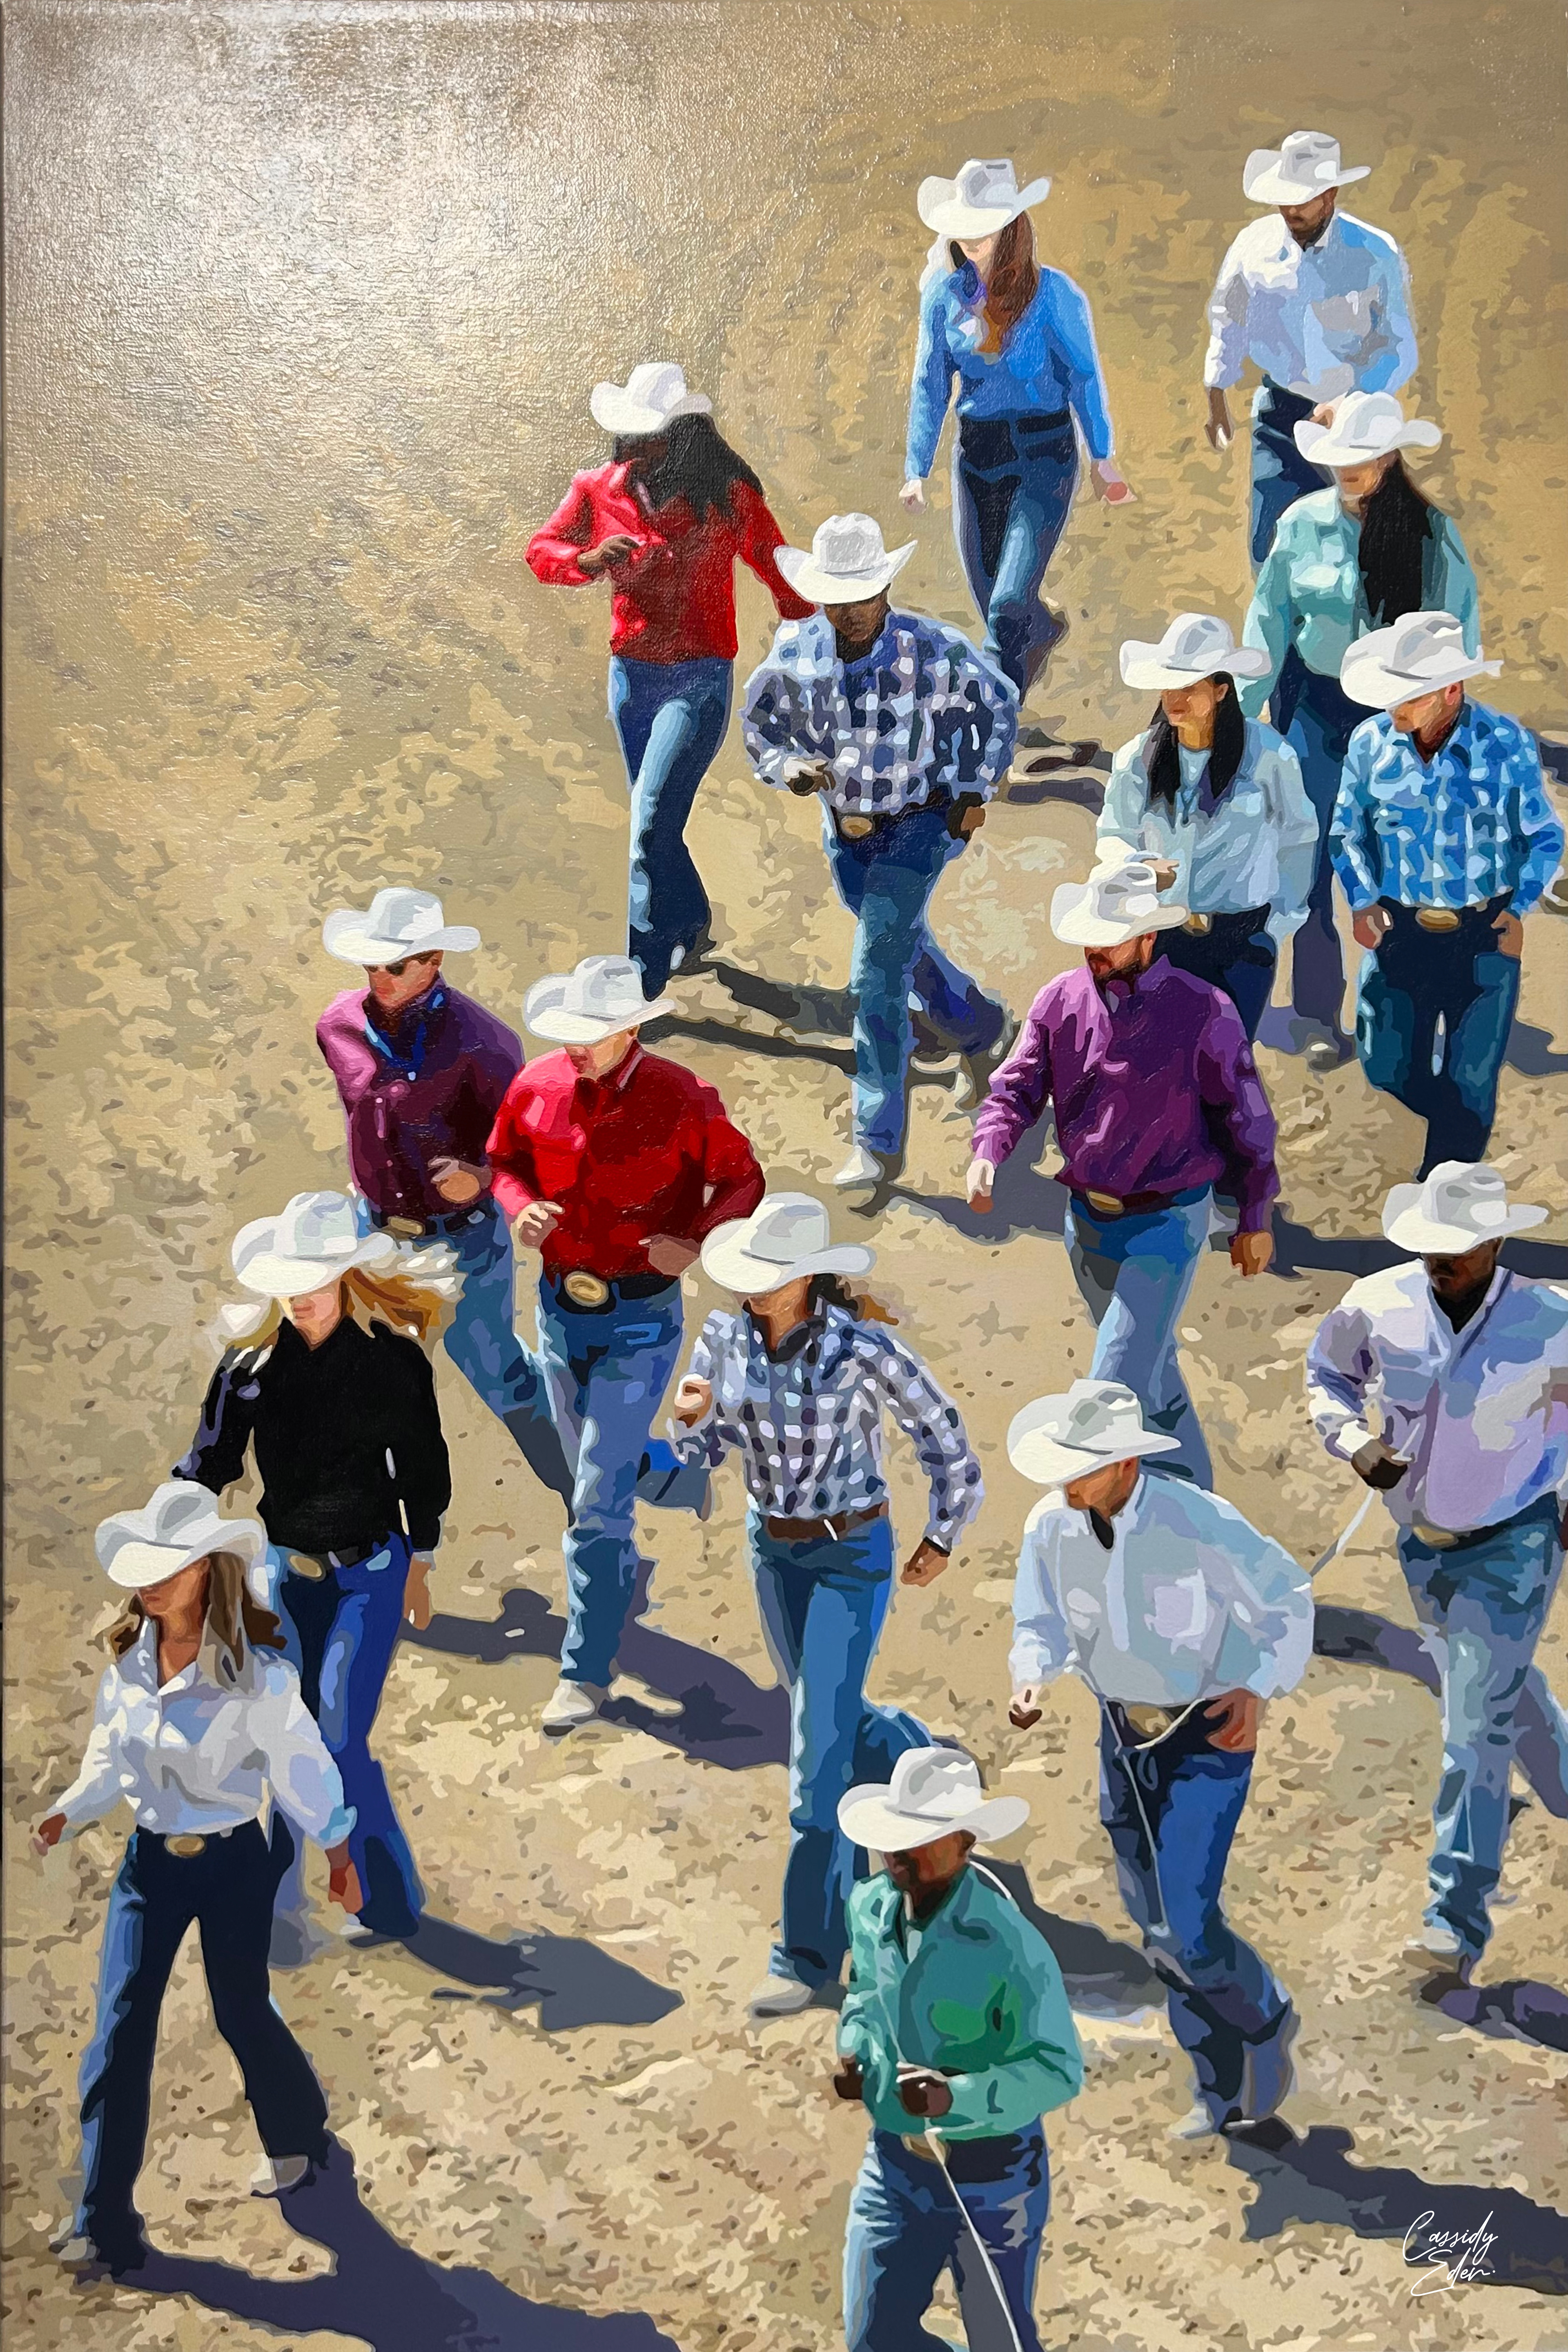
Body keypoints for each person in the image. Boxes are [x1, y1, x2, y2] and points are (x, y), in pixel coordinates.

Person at [666, 1194, 982, 2018]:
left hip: (851, 1557)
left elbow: (945, 1437)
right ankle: (914, 1751)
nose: (755, 1291)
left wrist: (943, 1534)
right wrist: (690, 1422)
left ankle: (807, 1956)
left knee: (816, 1772)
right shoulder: (725, 1338)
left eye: (772, 1279)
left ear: (808, 1278)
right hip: (773, 1552)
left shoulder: (862, 1349)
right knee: (826, 1715)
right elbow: (705, 1449)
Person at [36, 1483, 358, 2276]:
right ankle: (102, 2221)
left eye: (168, 1569)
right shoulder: (126, 1666)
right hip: (150, 1870)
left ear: (208, 1572)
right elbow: (109, 1765)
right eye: (144, 1570)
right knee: (120, 2031)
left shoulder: (262, 1683)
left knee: (241, 2008)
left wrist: (340, 1853)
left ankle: (300, 2132)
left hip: (235, 1866)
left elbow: (304, 1772)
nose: (148, 1584)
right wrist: (67, 1815)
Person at [1007, 1380, 1312, 2139]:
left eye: (1082, 1467)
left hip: (1206, 1737)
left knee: (1184, 1920)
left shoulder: (1199, 1523)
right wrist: (1031, 1678)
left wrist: (1258, 1689)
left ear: (1126, 1467)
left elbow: (1288, 1600)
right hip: (1122, 1737)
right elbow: (1038, 1620)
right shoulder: (1050, 1527)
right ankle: (1217, 2085)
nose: (1066, 1482)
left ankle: (1265, 2017)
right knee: (1154, 1924)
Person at [486, 953, 764, 1732]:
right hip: (558, 1309)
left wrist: (699, 1239)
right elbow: (503, 1160)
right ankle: (673, 1479)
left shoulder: (682, 1098)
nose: (576, 1045)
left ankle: (586, 1673)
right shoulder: (535, 1085)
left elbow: (743, 1180)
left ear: (632, 1029)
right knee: (587, 1470)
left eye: (595, 1033)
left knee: (595, 1502)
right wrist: (519, 1208)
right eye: (572, 1031)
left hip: (642, 1319)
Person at [1306, 1163, 1568, 1980]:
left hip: (1515, 1545)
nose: (1437, 1262)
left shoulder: (1551, 1321)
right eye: (1428, 1247)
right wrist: (1354, 1443)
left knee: (1473, 1731)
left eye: (1455, 1249)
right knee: (1495, 1689)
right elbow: (1327, 1379)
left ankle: (1454, 1923)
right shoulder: (1377, 1304)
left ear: (1494, 1242)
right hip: (1421, 1548)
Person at [174, 1189, 452, 1948]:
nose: (301, 1295)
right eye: (290, 1281)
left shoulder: (392, 1364)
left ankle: (384, 1900)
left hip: (371, 1572)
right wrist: (170, 1548)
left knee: (336, 1735)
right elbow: (208, 1467)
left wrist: (421, 1562)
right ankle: (279, 1906)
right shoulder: (250, 1368)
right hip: (282, 1574)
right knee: (276, 1732)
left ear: (349, 1278)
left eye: (317, 1278)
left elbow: (423, 1469)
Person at [967, 863, 1279, 1487]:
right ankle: (1197, 1499)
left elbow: (1248, 1118)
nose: (1095, 948)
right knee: (1151, 1373)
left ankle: (1091, 1508)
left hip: (1167, 1223)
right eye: (1091, 935)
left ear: (1148, 938)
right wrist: (988, 1151)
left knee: (1114, 1383)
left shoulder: (1203, 1010)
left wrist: (1254, 1216)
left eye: (1110, 936)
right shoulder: (1059, 1000)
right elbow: (1016, 1087)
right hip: (1086, 1224)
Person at [741, 512, 1016, 1194]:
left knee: (877, 976)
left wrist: (975, 787)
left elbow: (997, 706)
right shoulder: (797, 653)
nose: (851, 611)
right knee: (893, 943)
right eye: (839, 598)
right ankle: (978, 1026)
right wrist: (789, 769)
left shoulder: (930, 648)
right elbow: (761, 727)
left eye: (863, 594)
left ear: (885, 589)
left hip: (920, 823)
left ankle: (876, 1140)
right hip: (847, 831)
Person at [525, 362, 813, 992]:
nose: (629, 447)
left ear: (682, 435)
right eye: (625, 435)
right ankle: (691, 919)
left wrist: (825, 639)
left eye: (645, 435)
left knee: (649, 825)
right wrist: (587, 558)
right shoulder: (597, 487)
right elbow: (540, 551)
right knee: (655, 826)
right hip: (630, 680)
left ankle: (640, 979)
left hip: (699, 680)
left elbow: (777, 566)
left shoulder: (728, 495)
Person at [1240, 390, 1480, 1069]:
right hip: (1315, 710)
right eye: (1341, 457)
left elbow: (1458, 631)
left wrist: (1438, 726)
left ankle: (1404, 1008)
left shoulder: (1433, 535)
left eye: (1363, 457)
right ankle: (1318, 1011)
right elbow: (1269, 624)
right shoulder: (1299, 524)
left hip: (1398, 716)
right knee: (1310, 857)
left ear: (1389, 456)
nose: (1350, 469)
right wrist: (1240, 720)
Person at [315, 884, 573, 1506]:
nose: (381, 976)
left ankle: (584, 1484)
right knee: (350, 1379)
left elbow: (526, 1148)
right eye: (371, 964)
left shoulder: (484, 1045)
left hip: (460, 1243)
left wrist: (480, 1178)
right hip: (373, 1231)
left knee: (499, 1375)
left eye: (397, 965)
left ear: (434, 961)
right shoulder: (336, 1026)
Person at [832, 1749, 1081, 2352]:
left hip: (994, 2178)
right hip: (894, 2162)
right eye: (895, 1840)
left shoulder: (1010, 1945)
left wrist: (956, 2097)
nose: (897, 1856)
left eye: (919, 1842)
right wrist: (856, 2052)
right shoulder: (869, 1908)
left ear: (965, 1841)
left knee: (1001, 2342)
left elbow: (1058, 2068)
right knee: (873, 2338)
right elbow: (864, 1995)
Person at [1331, 612, 1564, 1174]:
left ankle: (1446, 1201)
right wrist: (1363, 899)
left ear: (1451, 690)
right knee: (1386, 1065)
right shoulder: (1370, 744)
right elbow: (1347, 831)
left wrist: (1520, 907)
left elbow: (1544, 836)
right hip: (1399, 933)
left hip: (1483, 937)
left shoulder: (1505, 742)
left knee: (1470, 1086)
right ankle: (1448, 1128)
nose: (1396, 707)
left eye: (1409, 695)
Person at [901, 156, 1133, 700]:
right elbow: (930, 382)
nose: (971, 236)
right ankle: (1039, 630)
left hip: (1044, 454)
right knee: (992, 601)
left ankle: (995, 730)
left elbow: (1084, 377)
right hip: (977, 457)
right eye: (963, 224)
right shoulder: (942, 294)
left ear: (1013, 226)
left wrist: (1103, 457)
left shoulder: (1055, 295)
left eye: (985, 223)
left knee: (1005, 608)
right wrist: (918, 467)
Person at [1202, 130, 1417, 568]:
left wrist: (1349, 401)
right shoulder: (1252, 249)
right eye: (1285, 197)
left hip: (1357, 426)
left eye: (1303, 198)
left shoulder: (1377, 254)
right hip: (1281, 417)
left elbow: (1398, 347)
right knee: (1272, 550)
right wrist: (1216, 394)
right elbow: (1229, 320)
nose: (1292, 208)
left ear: (1331, 193)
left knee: (1363, 552)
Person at [1098, 613, 1317, 1039]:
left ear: (1220, 690)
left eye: (1189, 687)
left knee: (1228, 1069)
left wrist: (1280, 923)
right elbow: (1113, 836)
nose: (1174, 698)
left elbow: (1299, 838)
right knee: (1165, 1063)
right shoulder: (1136, 760)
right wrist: (1140, 869)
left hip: (1243, 941)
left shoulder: (1271, 755)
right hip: (1161, 937)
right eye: (1168, 686)